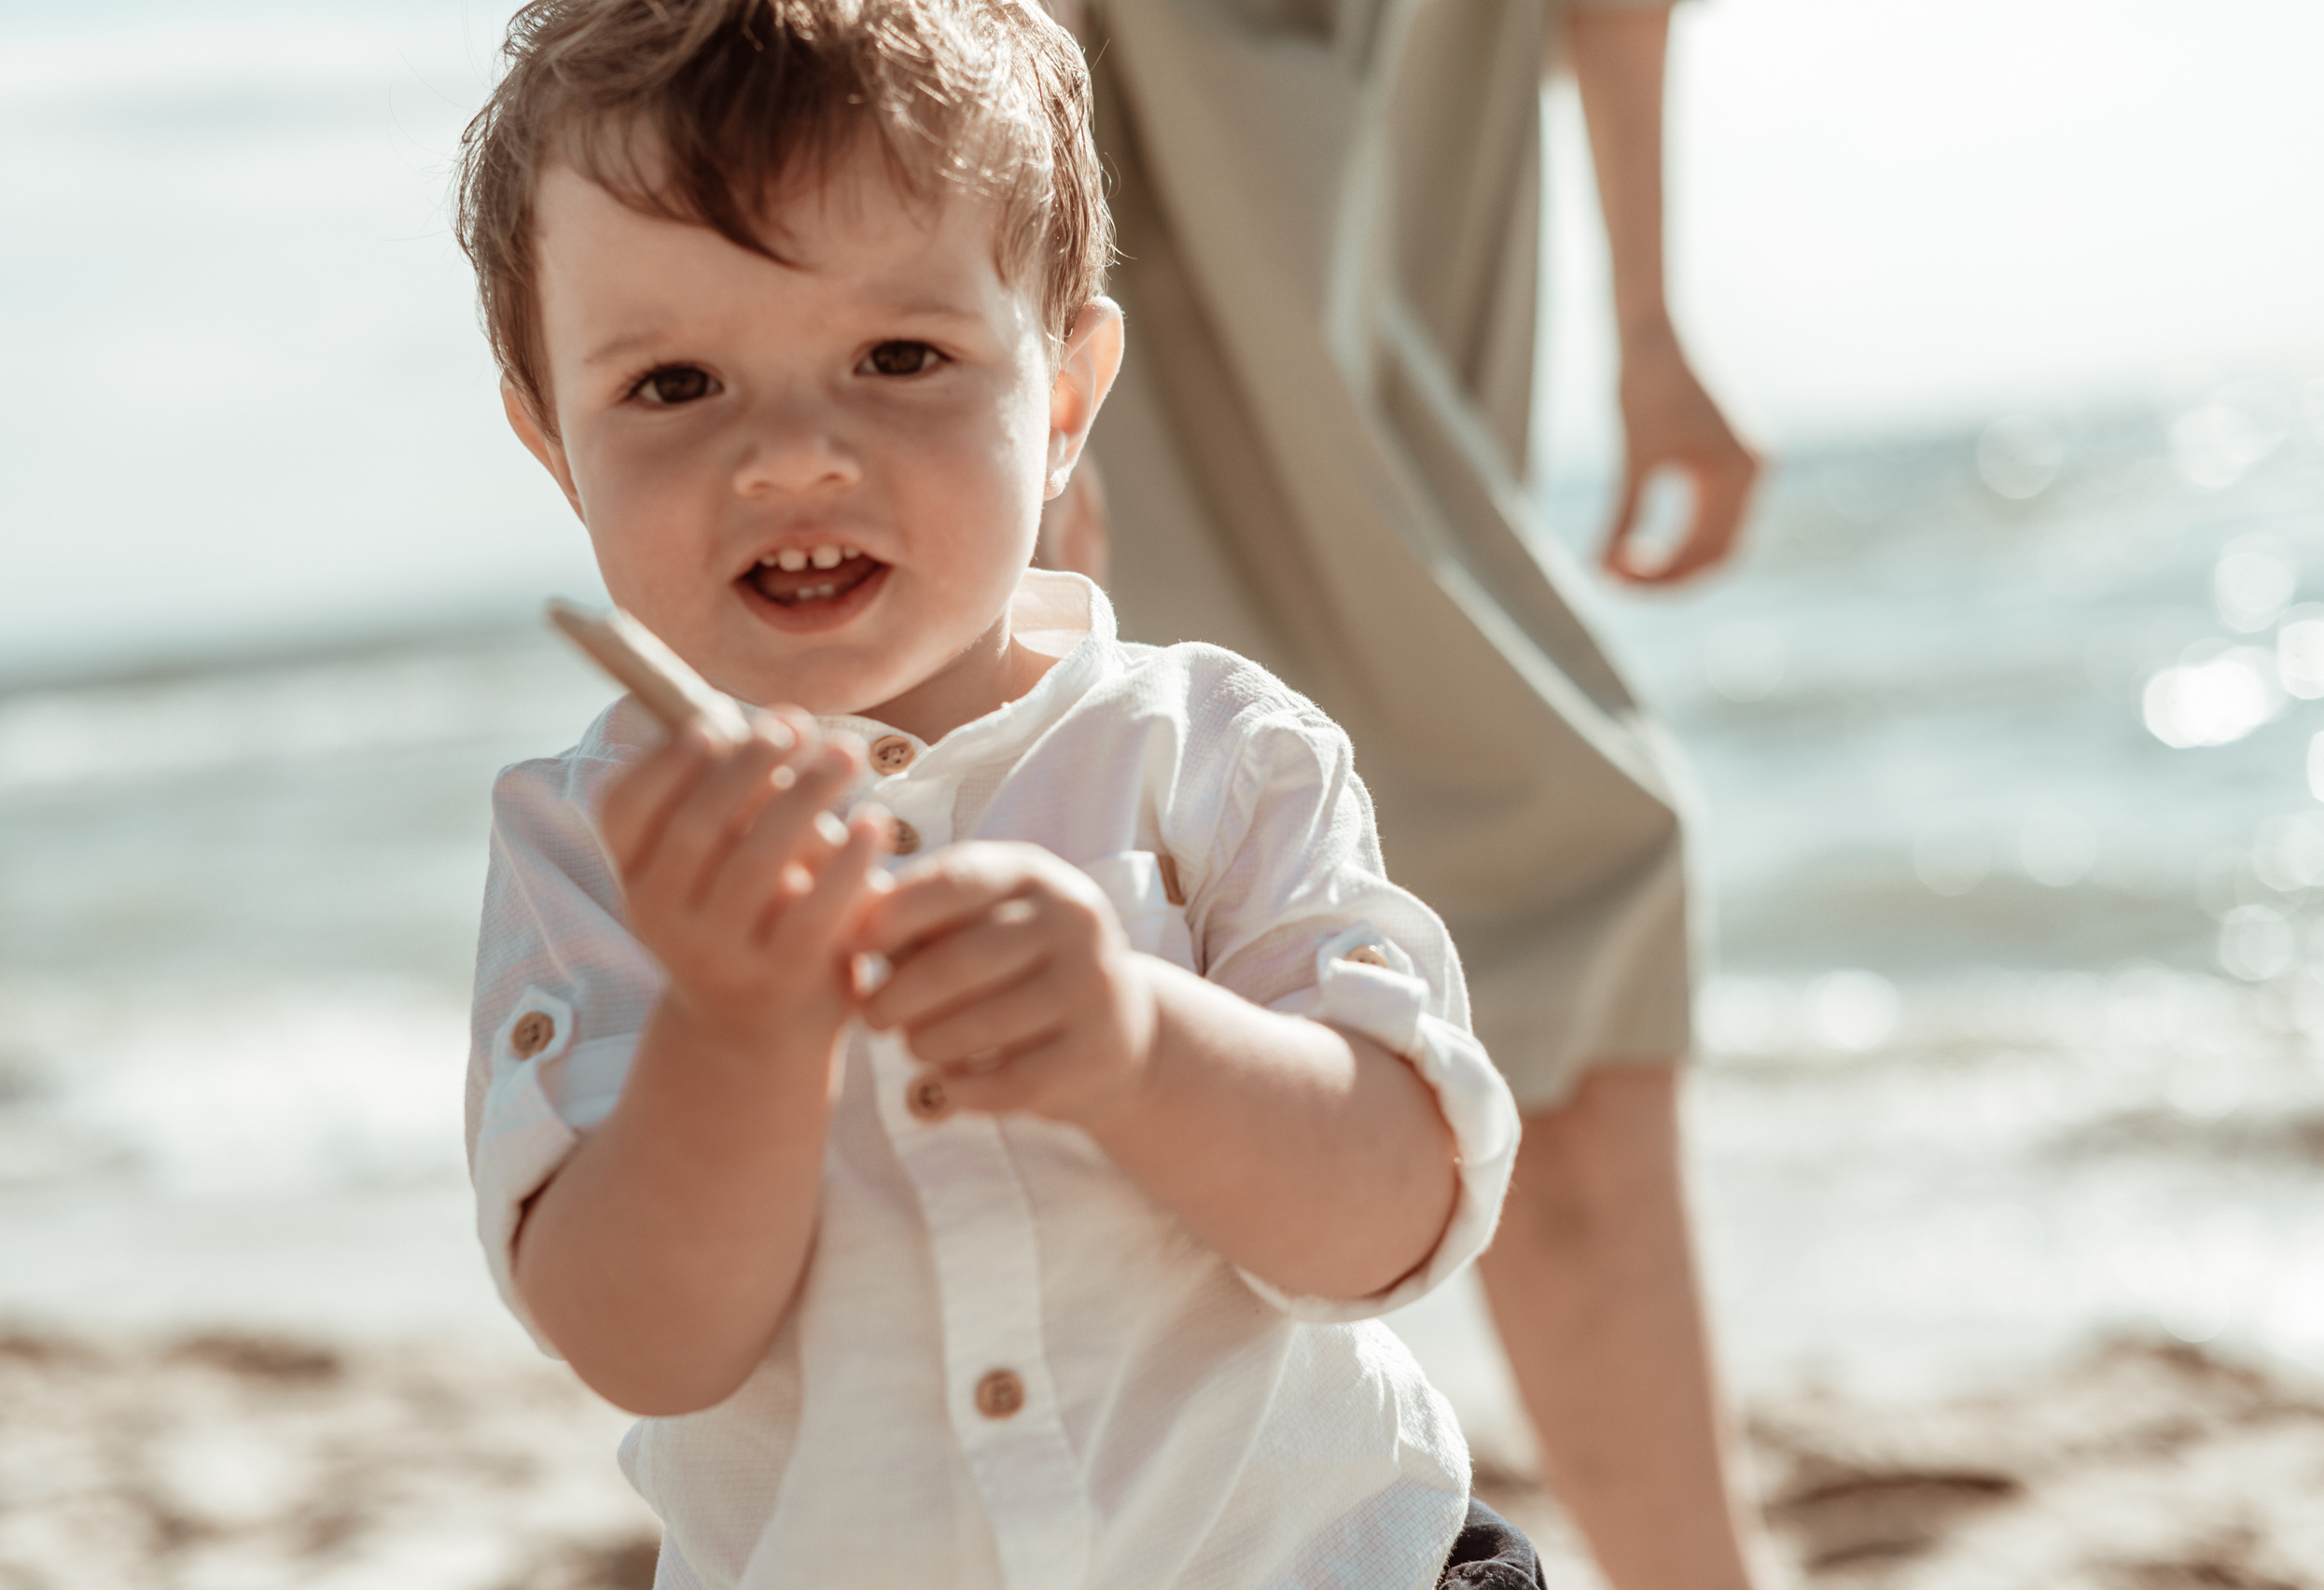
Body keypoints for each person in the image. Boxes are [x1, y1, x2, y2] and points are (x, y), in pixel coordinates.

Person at [453, 2, 1546, 1584]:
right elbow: (643, 1347)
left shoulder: (1217, 749)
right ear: (556, 440)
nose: (790, 458)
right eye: (676, 385)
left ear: (1064, 397)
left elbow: (1393, 1223)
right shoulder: (593, 850)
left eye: (900, 356)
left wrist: (1133, 1038)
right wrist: (741, 1031)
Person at [1035, 4, 1769, 1588]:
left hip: (1421, 101)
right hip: (1108, 95)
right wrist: (988, 379)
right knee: (1555, 855)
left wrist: (1647, 319)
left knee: (1497, 873)